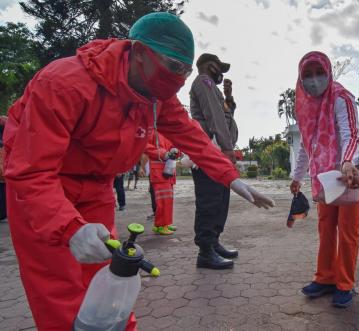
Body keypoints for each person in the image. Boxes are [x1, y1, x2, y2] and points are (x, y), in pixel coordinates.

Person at [3, 12, 273, 331]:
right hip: (43, 192)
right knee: (61, 296)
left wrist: (231, 177)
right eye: (173, 68)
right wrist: (67, 227)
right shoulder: (64, 84)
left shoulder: (157, 97)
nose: (179, 80)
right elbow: (31, 172)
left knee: (113, 280)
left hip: (98, 189)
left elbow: (193, 137)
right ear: (140, 53)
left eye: (186, 72)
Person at [290, 51, 359, 308]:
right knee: (326, 227)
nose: (314, 80)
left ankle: (345, 284)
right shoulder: (305, 106)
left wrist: (348, 162)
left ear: (328, 73)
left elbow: (349, 133)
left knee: (348, 231)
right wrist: (297, 177)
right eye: (307, 75)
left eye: (319, 73)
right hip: (328, 175)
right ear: (300, 78)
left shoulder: (341, 97)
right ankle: (326, 278)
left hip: (355, 171)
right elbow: (307, 145)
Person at [189, 53, 241, 270]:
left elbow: (225, 115)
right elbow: (214, 117)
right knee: (209, 201)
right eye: (220, 69)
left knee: (221, 200)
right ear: (211, 66)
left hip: (218, 152)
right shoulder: (204, 81)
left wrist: (229, 97)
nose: (222, 74)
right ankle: (205, 251)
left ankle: (214, 242)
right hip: (209, 152)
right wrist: (228, 148)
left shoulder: (214, 88)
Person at [144, 131, 178, 235]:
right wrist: (163, 153)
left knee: (168, 199)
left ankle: (166, 223)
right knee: (162, 200)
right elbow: (144, 145)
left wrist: (175, 150)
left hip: (169, 170)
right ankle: (160, 225)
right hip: (158, 171)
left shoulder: (168, 131)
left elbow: (175, 145)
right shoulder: (151, 130)